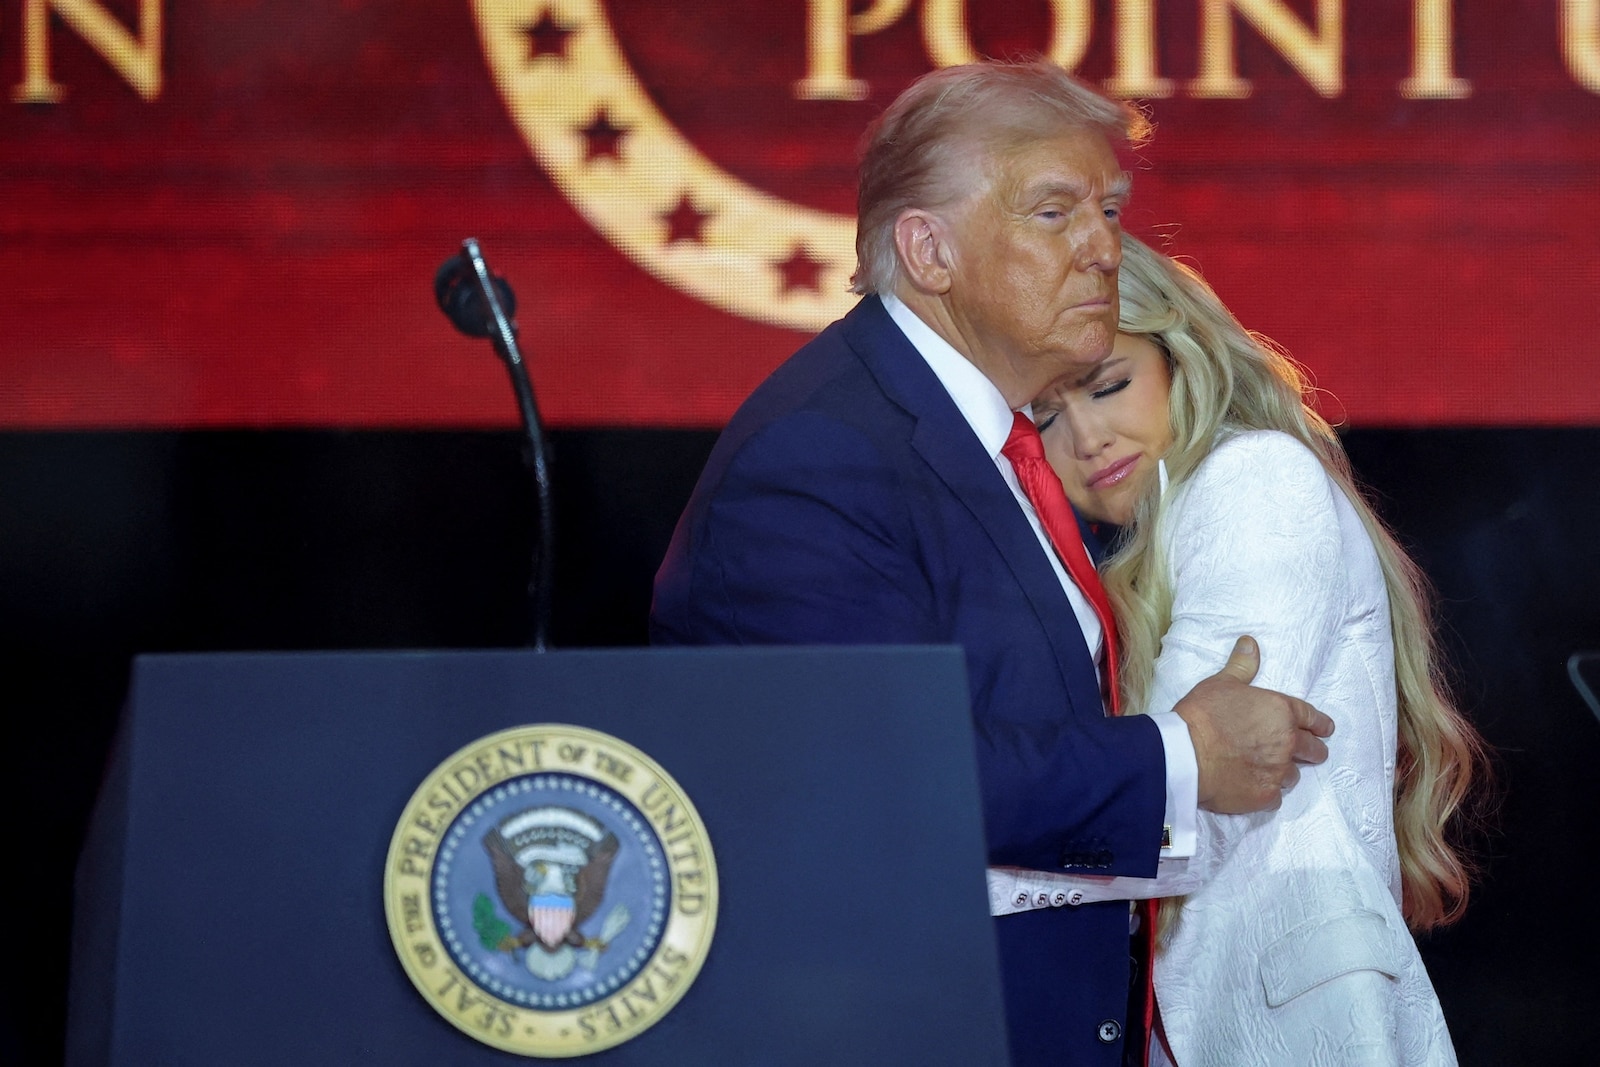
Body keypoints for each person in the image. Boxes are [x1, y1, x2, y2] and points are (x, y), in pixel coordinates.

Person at [652, 61, 1334, 1065]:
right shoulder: (822, 454)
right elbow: (880, 778)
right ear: (926, 250)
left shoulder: (981, 441)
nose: (1104, 247)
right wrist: (1179, 758)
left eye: (1107, 208)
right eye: (1054, 213)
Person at [996, 235, 1485, 1065]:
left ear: (1179, 356)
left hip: (1294, 1020)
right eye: (1045, 414)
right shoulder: (1149, 548)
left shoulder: (1252, 480)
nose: (1086, 437)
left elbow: (1187, 797)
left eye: (1108, 385)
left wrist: (982, 881)